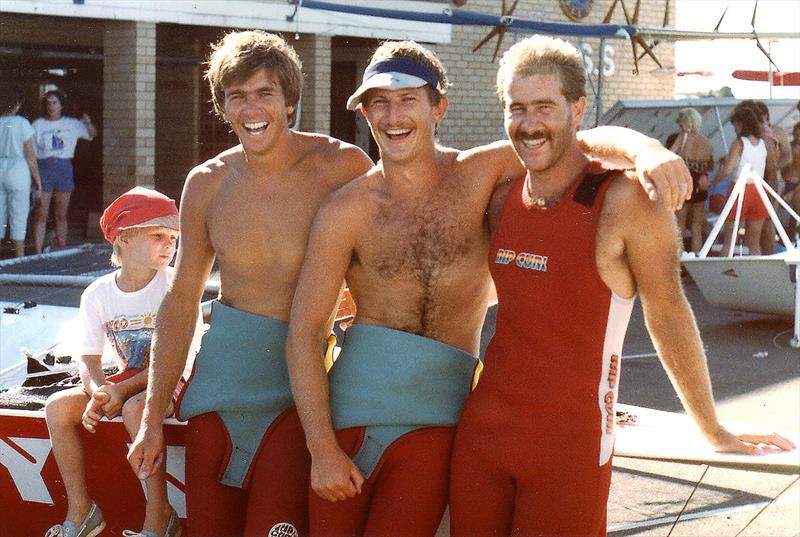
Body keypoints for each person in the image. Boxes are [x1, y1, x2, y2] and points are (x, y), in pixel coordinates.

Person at [285, 40, 691, 537]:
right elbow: (305, 333)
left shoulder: (481, 172)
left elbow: (574, 136)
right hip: (354, 415)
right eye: (378, 103)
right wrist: (321, 448)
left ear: (439, 107)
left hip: (445, 422)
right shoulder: (344, 210)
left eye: (407, 99)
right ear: (366, 113)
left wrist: (646, 149)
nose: (393, 116)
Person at [447, 36, 795, 537]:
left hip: (569, 450)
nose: (529, 123)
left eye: (545, 106)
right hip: (482, 439)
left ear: (578, 109)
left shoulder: (625, 201)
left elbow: (668, 314)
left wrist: (712, 429)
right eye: (516, 108)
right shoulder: (501, 198)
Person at [126, 30, 374, 537]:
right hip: (219, 385)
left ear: (289, 102)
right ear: (223, 106)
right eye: (237, 96)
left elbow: (385, 264)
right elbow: (180, 302)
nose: (251, 108)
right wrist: (152, 418)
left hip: (295, 389)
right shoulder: (207, 182)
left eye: (265, 94)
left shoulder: (341, 166)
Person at [44, 187, 183, 537]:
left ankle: (159, 516)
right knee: (57, 407)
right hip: (124, 384)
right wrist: (98, 391)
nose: (169, 245)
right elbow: (88, 358)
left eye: (173, 237)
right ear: (123, 238)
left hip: (173, 380)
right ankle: (81, 511)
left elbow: (178, 359)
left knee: (138, 409)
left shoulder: (176, 286)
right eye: (158, 236)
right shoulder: (98, 293)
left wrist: (119, 391)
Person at [31, 89, 97, 254]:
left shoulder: (71, 124)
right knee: (41, 214)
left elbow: (92, 134)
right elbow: (31, 151)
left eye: (55, 103)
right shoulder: (38, 124)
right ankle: (38, 252)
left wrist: (88, 123)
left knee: (61, 214)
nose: (51, 106)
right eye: (48, 103)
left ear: (61, 105)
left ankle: (61, 249)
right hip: (45, 167)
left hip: (64, 168)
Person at [711, 106, 776, 256]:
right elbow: (771, 166)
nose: (734, 129)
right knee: (754, 242)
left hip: (740, 189)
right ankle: (755, 275)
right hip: (759, 190)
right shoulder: (765, 143)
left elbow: (727, 170)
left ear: (741, 124)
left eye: (735, 126)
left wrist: (711, 183)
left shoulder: (739, 143)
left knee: (729, 240)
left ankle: (725, 275)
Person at [0, 89, 41, 257]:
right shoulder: (22, 123)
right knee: (19, 213)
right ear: (17, 105)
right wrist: (37, 180)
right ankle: (20, 257)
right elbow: (30, 155)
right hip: (18, 168)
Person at [669, 108, 713, 253]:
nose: (680, 128)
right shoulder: (707, 142)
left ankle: (678, 259)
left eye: (681, 124)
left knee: (680, 223)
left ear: (687, 123)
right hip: (702, 181)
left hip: (685, 179)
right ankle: (696, 259)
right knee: (697, 226)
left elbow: (669, 155)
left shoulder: (683, 137)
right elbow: (710, 165)